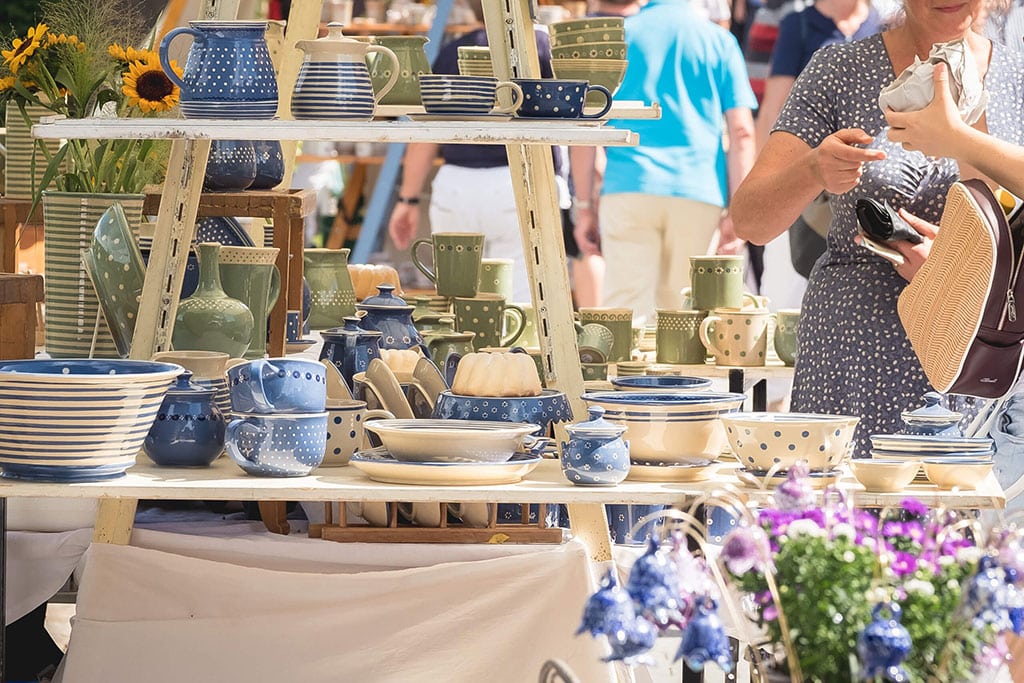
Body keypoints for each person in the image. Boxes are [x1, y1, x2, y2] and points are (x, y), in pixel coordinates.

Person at [730, 0, 1024, 457]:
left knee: (962, 524)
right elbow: (751, 220)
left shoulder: (1016, 77)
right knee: (840, 524)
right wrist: (812, 170)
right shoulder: (841, 68)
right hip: (853, 355)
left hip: (977, 363)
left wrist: (953, 272)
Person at [571, 0, 757, 326]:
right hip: (699, 192)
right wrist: (740, 211)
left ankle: (623, 377)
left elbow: (586, 127)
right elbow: (742, 132)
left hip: (628, 185)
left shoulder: (619, 38)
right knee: (688, 314)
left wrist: (584, 205)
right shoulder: (720, 41)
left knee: (624, 312)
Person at [387, 12, 561, 303]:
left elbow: (426, 131)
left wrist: (408, 199)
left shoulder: (451, 51)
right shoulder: (541, 47)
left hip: (457, 185)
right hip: (519, 179)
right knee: (522, 302)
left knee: (458, 301)